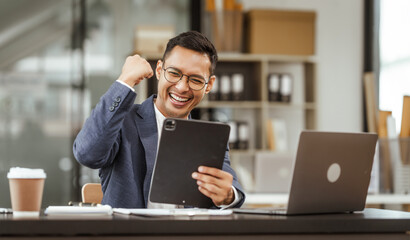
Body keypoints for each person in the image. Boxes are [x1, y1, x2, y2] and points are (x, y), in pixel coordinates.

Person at [73, 31, 245, 208]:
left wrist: (229, 195)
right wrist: (125, 81)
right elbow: (87, 154)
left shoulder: (208, 137)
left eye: (195, 80)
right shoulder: (122, 121)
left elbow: (230, 186)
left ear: (208, 85)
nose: (181, 87)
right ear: (159, 70)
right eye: (174, 73)